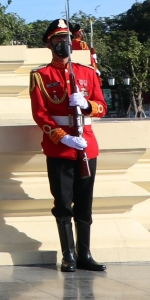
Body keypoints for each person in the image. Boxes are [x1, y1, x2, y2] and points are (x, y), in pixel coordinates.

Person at [30, 19, 108, 272]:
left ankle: (85, 253)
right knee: (63, 203)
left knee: (85, 202)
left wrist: (86, 105)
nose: (62, 44)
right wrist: (62, 136)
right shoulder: (41, 76)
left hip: (86, 146)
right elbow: (40, 114)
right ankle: (69, 255)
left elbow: (102, 107)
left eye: (66, 40)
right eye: (57, 41)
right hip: (60, 147)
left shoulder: (86, 72)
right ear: (49, 44)